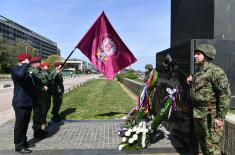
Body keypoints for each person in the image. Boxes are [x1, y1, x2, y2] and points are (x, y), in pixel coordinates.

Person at [186, 44, 231, 155]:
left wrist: (220, 118)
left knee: (212, 147)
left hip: (210, 114)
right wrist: (191, 78)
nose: (195, 56)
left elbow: (225, 95)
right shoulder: (198, 71)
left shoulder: (216, 71)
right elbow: (201, 82)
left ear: (206, 56)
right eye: (195, 53)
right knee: (203, 143)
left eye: (198, 54)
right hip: (198, 112)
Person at [11, 53, 35, 153]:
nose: (30, 62)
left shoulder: (25, 70)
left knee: (25, 124)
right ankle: (19, 146)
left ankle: (23, 141)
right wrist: (25, 65)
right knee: (20, 125)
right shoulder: (16, 69)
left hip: (27, 102)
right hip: (20, 102)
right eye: (29, 60)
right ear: (24, 60)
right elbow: (20, 76)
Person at [29, 56, 49, 138]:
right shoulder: (32, 72)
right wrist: (42, 88)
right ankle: (36, 132)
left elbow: (46, 79)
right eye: (39, 62)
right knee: (37, 115)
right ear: (34, 63)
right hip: (36, 97)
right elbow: (32, 85)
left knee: (41, 114)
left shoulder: (40, 71)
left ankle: (40, 130)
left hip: (42, 96)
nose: (40, 63)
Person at [40, 62, 52, 129]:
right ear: (43, 66)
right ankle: (43, 121)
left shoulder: (47, 72)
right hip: (44, 94)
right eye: (47, 66)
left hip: (48, 93)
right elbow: (49, 78)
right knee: (44, 108)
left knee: (47, 107)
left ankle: (44, 120)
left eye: (48, 66)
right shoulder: (43, 73)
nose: (48, 67)